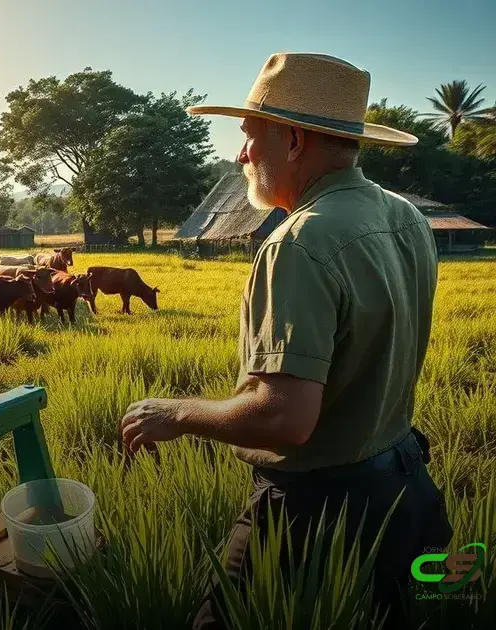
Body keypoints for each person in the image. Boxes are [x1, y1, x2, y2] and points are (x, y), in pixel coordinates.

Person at [117, 53, 452, 629]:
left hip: (314, 509)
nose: (241, 154)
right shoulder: (405, 217)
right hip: (406, 490)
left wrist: (177, 413)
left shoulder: (298, 243)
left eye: (250, 135)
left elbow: (284, 418)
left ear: (293, 141)